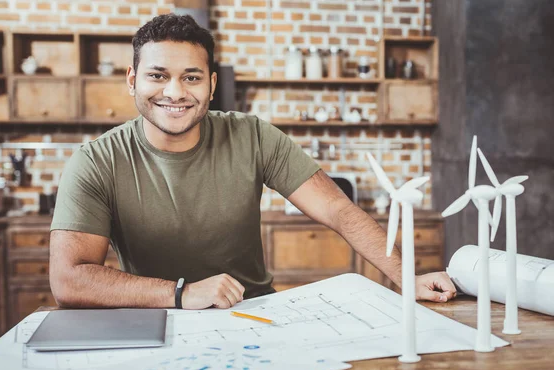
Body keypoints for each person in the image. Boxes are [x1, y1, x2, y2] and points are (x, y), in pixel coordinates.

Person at [49, 14, 456, 311]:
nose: (174, 91)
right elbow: (68, 278)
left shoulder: (252, 135)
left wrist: (407, 278)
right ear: (133, 79)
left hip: (255, 314)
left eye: (191, 77)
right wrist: (181, 293)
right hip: (157, 318)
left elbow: (336, 207)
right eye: (158, 75)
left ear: (210, 85)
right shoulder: (95, 161)